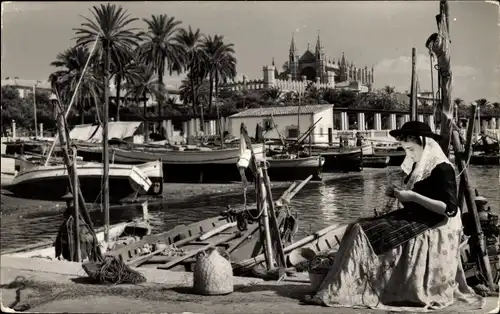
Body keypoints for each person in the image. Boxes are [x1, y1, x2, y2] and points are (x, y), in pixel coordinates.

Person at [305, 121, 484, 311]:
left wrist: (412, 196)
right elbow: (414, 201)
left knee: (363, 234)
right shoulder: (418, 166)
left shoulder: (442, 169)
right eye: (406, 149)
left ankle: (348, 289)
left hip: (438, 222)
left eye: (412, 148)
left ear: (425, 143)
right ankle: (342, 286)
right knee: (358, 226)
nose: (409, 153)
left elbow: (449, 209)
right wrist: (399, 195)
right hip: (418, 215)